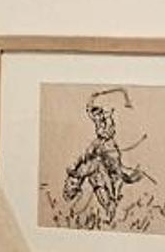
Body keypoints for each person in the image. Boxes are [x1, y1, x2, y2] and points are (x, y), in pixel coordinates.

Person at [62, 89, 148, 225]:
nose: (96, 115)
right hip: (99, 146)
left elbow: (108, 132)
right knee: (95, 173)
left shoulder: (107, 119)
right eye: (95, 113)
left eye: (98, 112)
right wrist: (92, 97)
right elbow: (89, 109)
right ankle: (109, 202)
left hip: (108, 147)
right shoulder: (97, 118)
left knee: (113, 169)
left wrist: (103, 136)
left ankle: (115, 192)